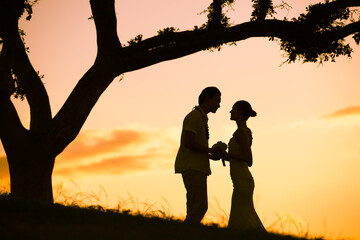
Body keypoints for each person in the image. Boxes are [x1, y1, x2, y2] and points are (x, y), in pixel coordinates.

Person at [175, 86, 222, 224]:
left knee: (197, 207)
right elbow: (188, 142)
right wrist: (210, 151)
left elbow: (194, 146)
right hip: (192, 167)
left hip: (197, 166)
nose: (219, 105)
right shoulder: (194, 116)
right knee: (198, 207)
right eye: (217, 101)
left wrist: (210, 155)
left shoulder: (201, 117)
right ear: (207, 98)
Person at [223, 100, 266, 232]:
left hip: (243, 181)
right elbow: (239, 157)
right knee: (242, 214)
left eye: (233, 108)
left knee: (243, 216)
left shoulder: (241, 132)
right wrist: (225, 156)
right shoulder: (242, 131)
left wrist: (227, 155)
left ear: (240, 112)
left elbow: (248, 159)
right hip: (239, 180)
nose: (230, 111)